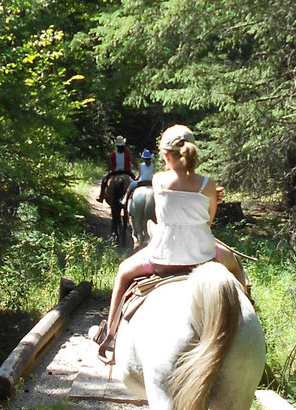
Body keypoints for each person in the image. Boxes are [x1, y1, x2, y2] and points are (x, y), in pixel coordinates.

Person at [90, 124, 247, 364]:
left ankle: (110, 336)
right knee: (235, 265)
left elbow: (162, 215)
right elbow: (209, 221)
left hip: (162, 257)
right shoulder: (208, 184)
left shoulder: (159, 180)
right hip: (204, 256)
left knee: (123, 272)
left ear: (165, 155)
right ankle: (246, 324)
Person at [96, 135, 134, 203]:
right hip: (127, 172)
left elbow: (110, 164)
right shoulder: (127, 152)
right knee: (134, 181)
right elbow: (133, 161)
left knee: (104, 181)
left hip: (115, 172)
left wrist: (110, 168)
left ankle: (101, 196)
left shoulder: (113, 153)